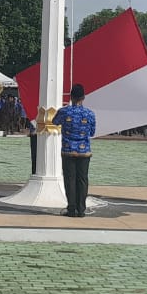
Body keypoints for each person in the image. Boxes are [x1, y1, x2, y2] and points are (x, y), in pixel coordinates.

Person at [53, 84, 95, 218]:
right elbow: (92, 132)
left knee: (70, 180)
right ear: (83, 97)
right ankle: (81, 209)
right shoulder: (89, 113)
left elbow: (55, 122)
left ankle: (71, 209)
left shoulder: (64, 111)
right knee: (82, 179)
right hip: (84, 151)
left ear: (71, 97)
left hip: (68, 149)